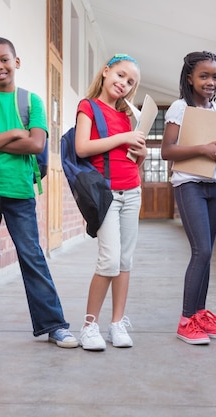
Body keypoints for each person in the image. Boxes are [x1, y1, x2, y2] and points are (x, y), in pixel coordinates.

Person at [0, 37, 77, 348]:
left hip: (20, 192)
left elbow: (36, 144)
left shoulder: (31, 102)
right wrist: (12, 134)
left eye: (5, 59)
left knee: (32, 257)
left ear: (17, 62)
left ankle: (55, 325)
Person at [161, 51, 216, 345]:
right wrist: (203, 149)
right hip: (189, 184)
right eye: (204, 76)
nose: (210, 81)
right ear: (190, 78)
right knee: (201, 251)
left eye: (215, 76)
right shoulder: (180, 108)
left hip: (214, 185)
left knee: (208, 253)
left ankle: (201, 314)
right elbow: (167, 150)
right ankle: (185, 320)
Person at [74, 54, 147, 351]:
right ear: (106, 72)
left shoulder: (127, 116)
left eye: (130, 82)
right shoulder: (88, 107)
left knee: (125, 260)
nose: (124, 84)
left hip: (132, 190)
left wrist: (138, 149)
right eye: (120, 75)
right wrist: (124, 138)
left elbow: (132, 159)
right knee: (109, 259)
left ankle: (117, 323)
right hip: (104, 193)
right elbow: (82, 148)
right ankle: (89, 326)